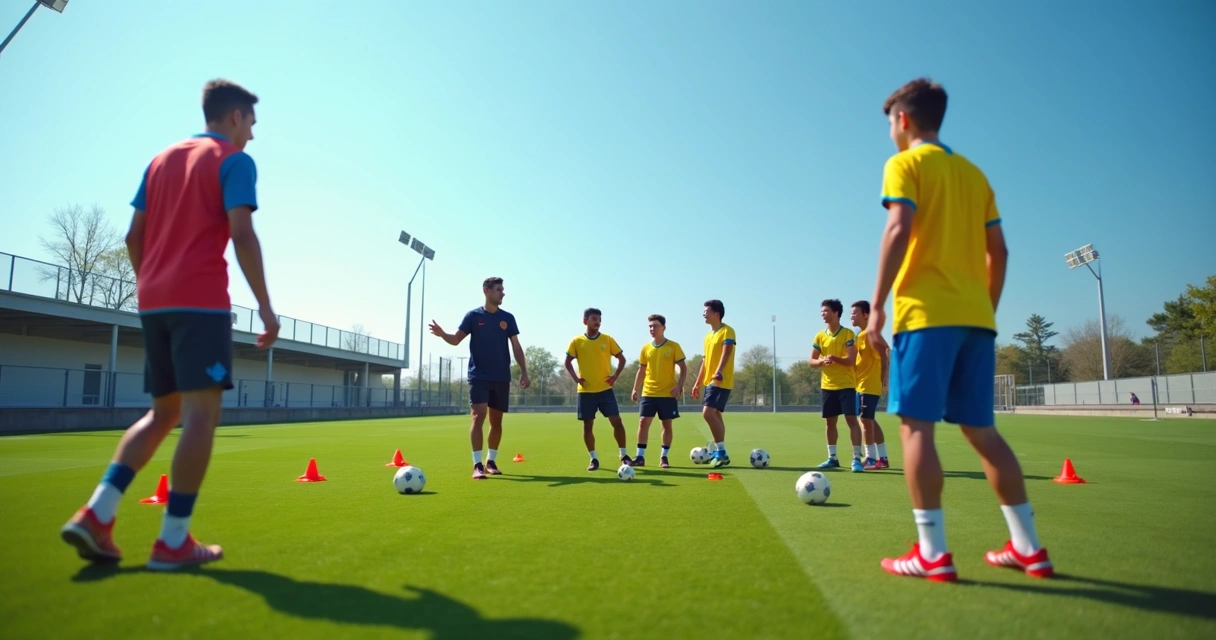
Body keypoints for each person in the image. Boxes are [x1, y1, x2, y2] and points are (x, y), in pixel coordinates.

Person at [60, 79, 279, 571]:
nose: (253, 135)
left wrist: (152, 283)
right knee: (202, 415)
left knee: (162, 414)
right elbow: (242, 233)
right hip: (200, 301)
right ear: (235, 117)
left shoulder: (160, 160)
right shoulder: (234, 161)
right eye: (252, 124)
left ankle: (97, 512)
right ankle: (173, 540)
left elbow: (132, 234)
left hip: (154, 302)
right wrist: (266, 306)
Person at [867, 78, 1052, 582]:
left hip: (926, 317)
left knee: (915, 428)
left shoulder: (904, 164)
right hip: (976, 320)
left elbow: (899, 228)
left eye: (889, 123)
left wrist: (878, 307)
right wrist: (984, 309)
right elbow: (1002, 252)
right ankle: (1029, 547)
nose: (889, 133)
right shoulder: (974, 173)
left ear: (902, 120)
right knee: (983, 432)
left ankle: (932, 552)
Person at [430, 277, 530, 480]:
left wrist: (524, 371)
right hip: (479, 375)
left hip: (501, 376)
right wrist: (442, 334)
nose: (503, 293)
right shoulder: (473, 316)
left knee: (497, 421)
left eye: (503, 289)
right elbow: (456, 340)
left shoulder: (508, 318)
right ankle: (477, 465)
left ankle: (491, 460)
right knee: (478, 416)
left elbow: (516, 346)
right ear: (486, 291)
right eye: (499, 289)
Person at [564, 308, 630, 471]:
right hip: (586, 392)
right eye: (594, 319)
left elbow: (622, 359)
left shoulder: (607, 339)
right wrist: (576, 379)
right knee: (588, 425)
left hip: (605, 390)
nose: (597, 322)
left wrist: (614, 376)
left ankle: (624, 454)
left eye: (599, 319)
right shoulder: (577, 341)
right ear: (585, 321)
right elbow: (567, 362)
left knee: (617, 421)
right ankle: (593, 459)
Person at [811, 299, 866, 473]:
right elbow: (811, 361)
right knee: (830, 422)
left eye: (826, 311)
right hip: (827, 385)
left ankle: (856, 458)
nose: (823, 314)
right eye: (822, 311)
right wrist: (821, 361)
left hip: (847, 385)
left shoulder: (848, 334)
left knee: (851, 420)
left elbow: (851, 360)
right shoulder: (820, 336)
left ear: (836, 313)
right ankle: (832, 458)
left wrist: (835, 359)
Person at [630, 314, 687, 469]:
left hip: (667, 394)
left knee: (666, 425)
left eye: (655, 326)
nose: (652, 329)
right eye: (650, 326)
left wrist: (679, 386)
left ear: (664, 327)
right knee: (643, 422)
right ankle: (640, 457)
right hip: (648, 393)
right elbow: (641, 370)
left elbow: (683, 368)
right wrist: (636, 388)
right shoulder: (646, 348)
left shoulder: (673, 346)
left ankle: (664, 457)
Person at [691, 300, 735, 468]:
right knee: (715, 414)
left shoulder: (727, 331)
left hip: (720, 380)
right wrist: (697, 383)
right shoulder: (708, 336)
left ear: (716, 313)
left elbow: (727, 351)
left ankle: (721, 452)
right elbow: (705, 361)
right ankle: (720, 451)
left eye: (706, 311)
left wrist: (720, 370)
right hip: (710, 381)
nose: (703, 314)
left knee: (708, 413)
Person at [850, 300, 890, 470]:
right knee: (869, 420)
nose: (851, 316)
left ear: (865, 314)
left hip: (870, 384)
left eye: (855, 313)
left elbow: (886, 353)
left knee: (866, 420)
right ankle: (883, 458)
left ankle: (871, 459)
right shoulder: (860, 335)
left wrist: (884, 381)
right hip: (861, 384)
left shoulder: (871, 334)